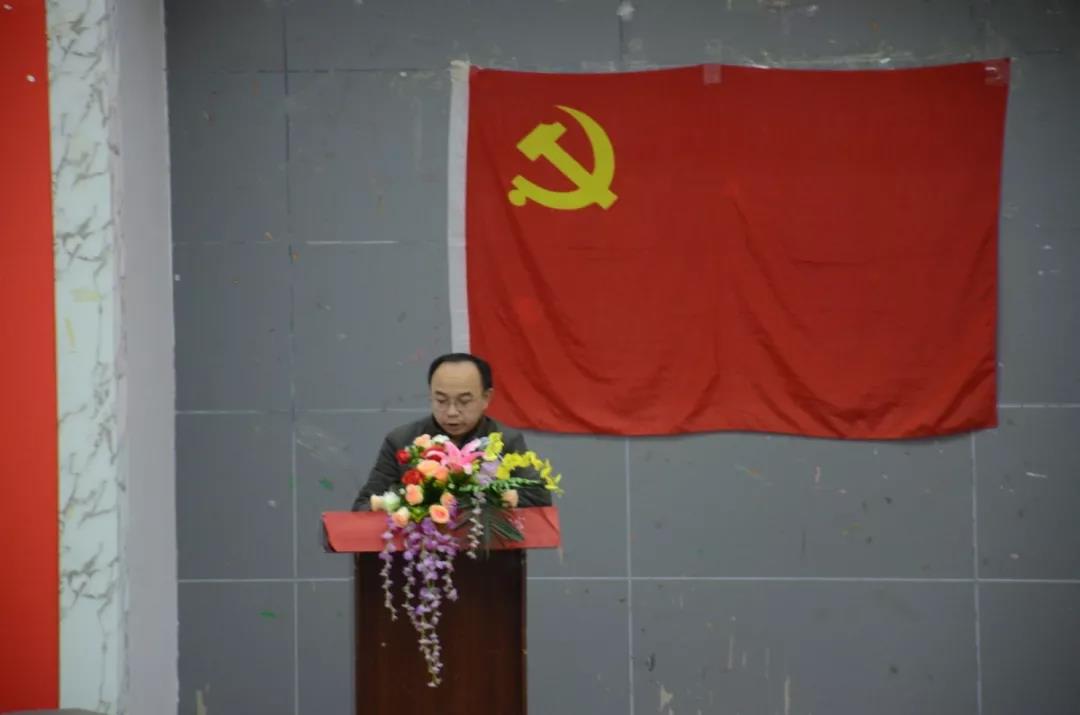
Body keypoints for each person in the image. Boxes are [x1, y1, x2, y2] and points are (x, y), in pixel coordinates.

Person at [351, 353, 552, 511]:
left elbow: (539, 497)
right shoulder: (402, 440)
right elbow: (363, 505)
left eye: (464, 401)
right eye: (441, 400)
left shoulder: (505, 441)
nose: (451, 412)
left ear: (486, 398)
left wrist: (500, 497)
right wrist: (406, 503)